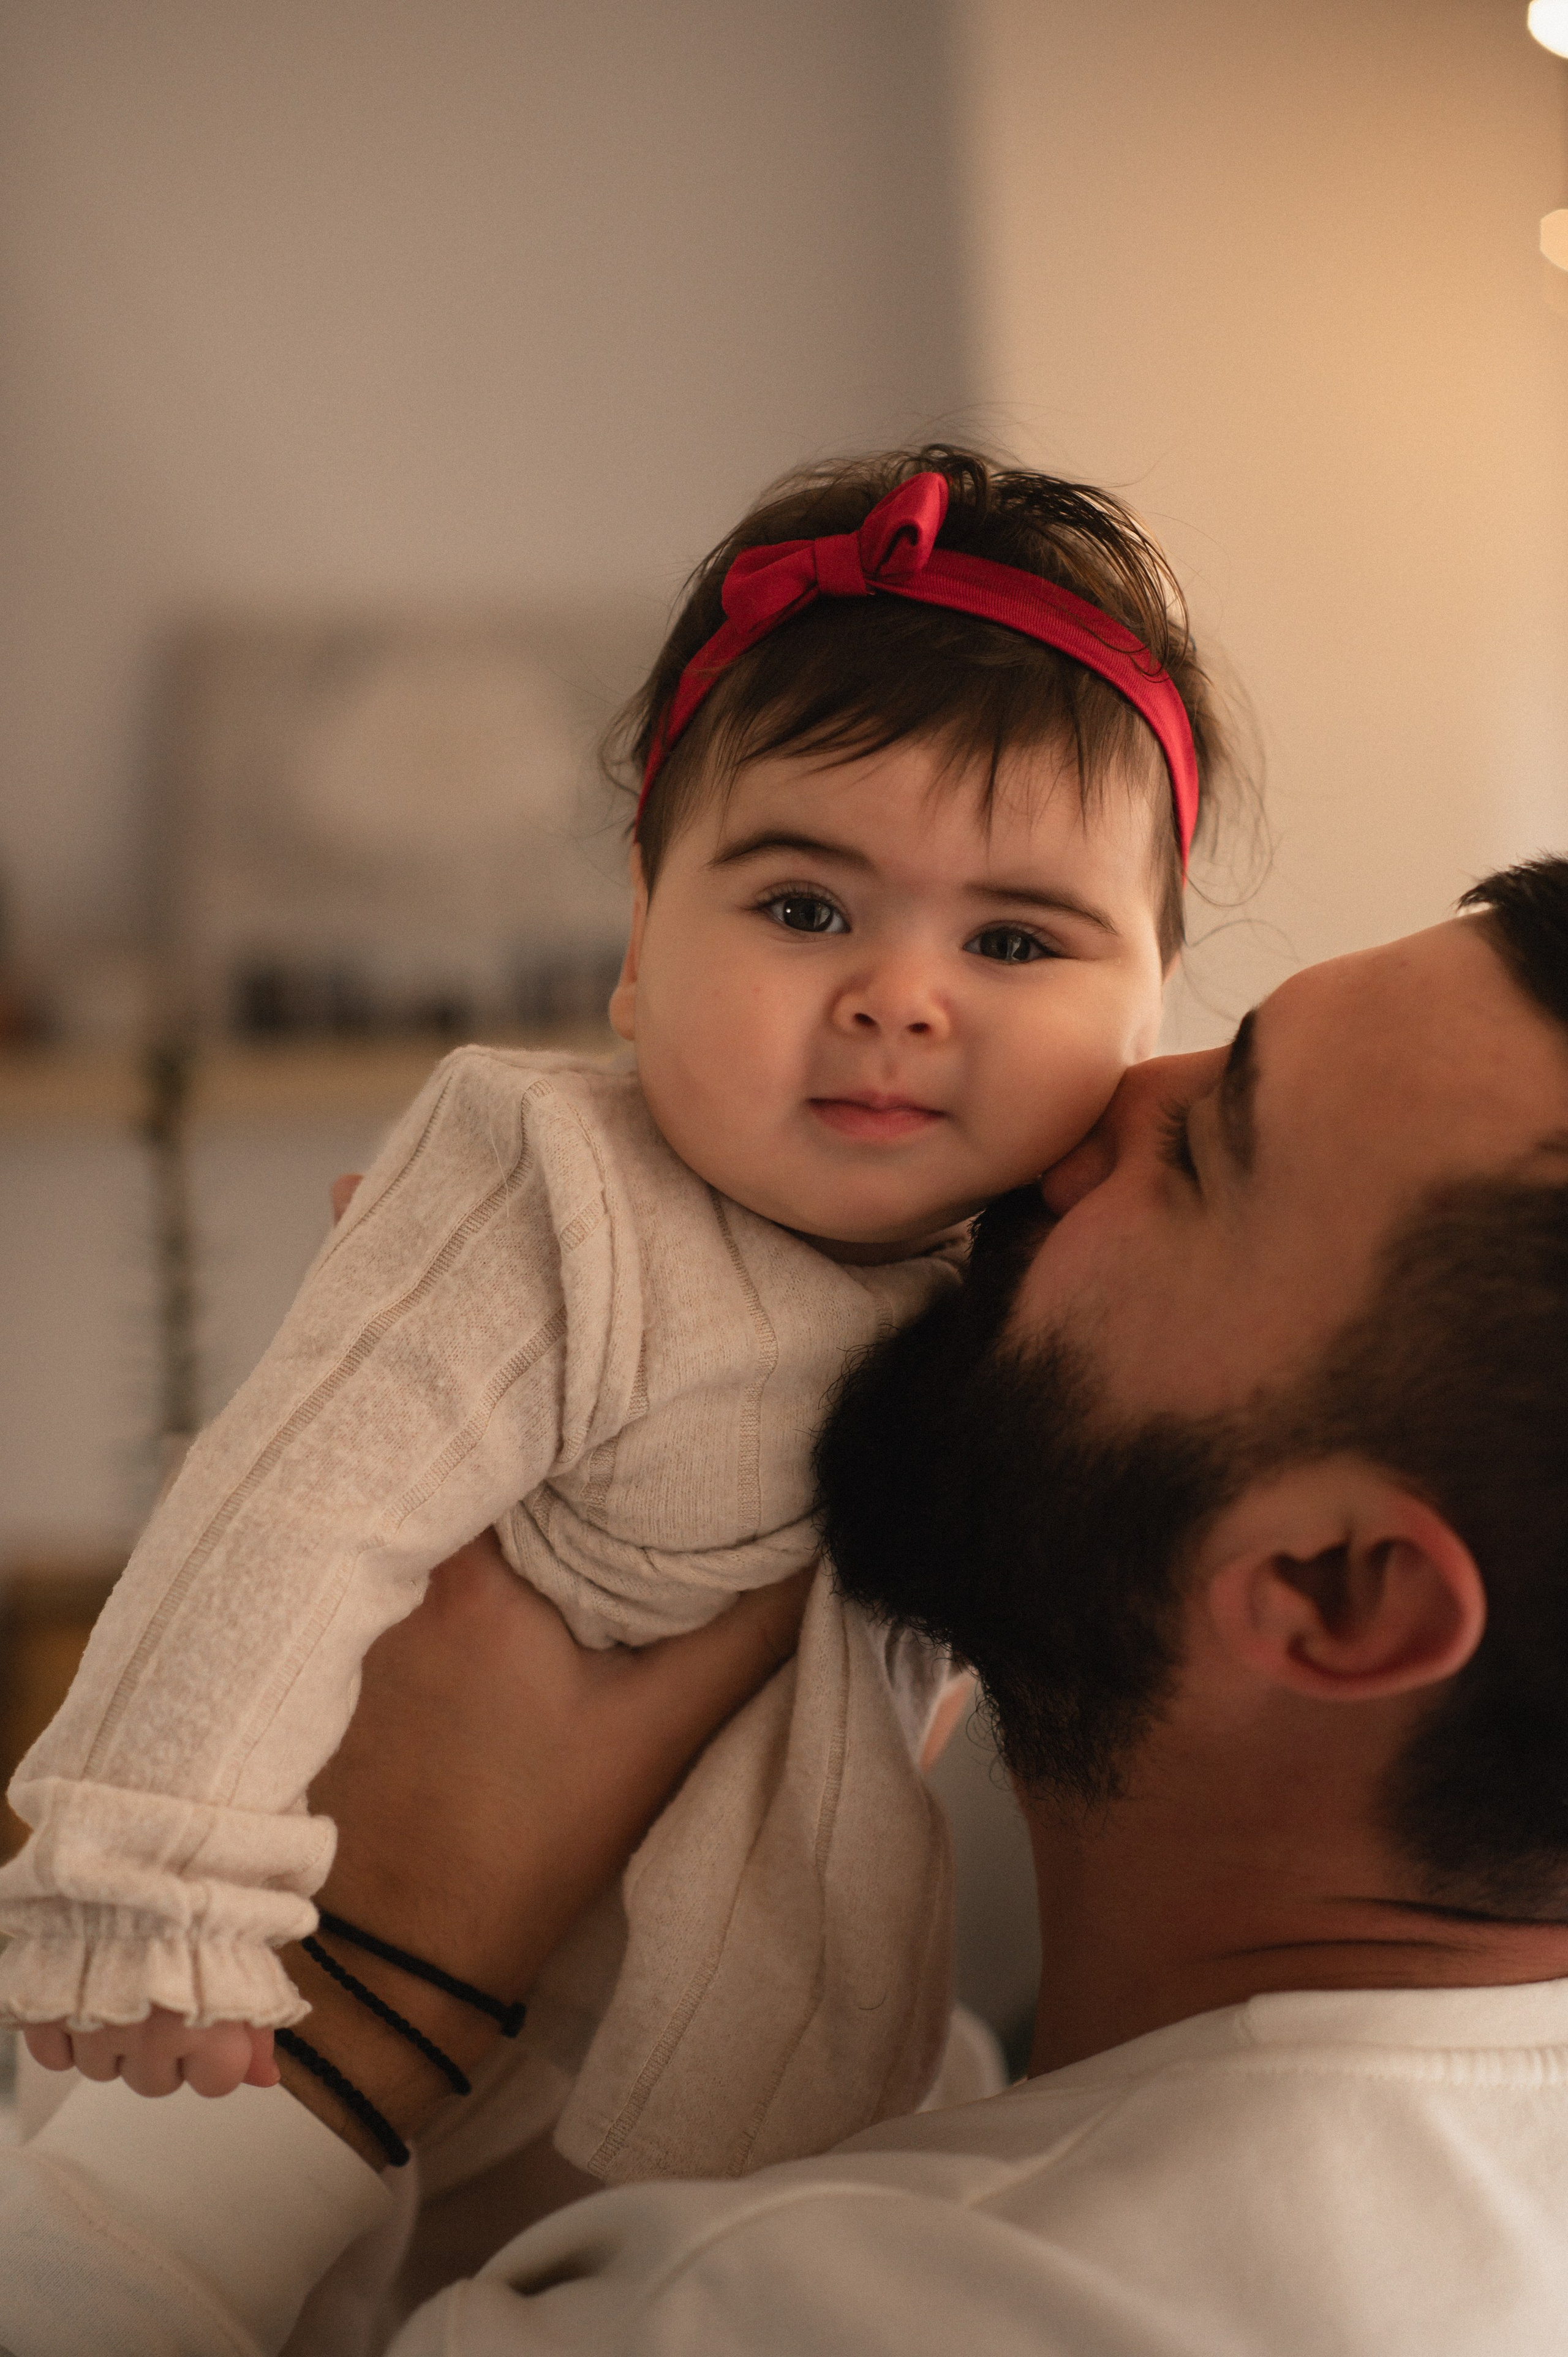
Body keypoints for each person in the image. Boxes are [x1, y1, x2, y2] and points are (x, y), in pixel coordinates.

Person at [5, 854, 1567, 2355]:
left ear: (1330, 1591)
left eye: (1202, 1150)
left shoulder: (828, 2315)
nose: (1095, 1103)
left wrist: (366, 1982)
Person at [0, 447, 1231, 2194]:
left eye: (1017, 943)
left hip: (752, 2101)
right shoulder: (553, 1189)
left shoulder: (1036, 1293)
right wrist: (154, 1885)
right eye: (803, 909)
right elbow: (287, 1517)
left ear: (1153, 1012)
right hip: (325, 2057)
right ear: (642, 941)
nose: (898, 997)